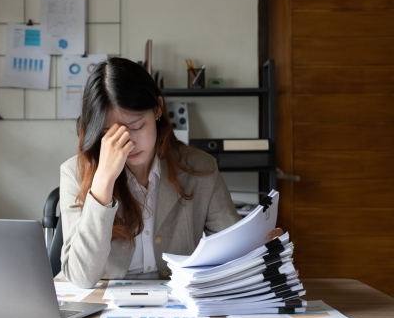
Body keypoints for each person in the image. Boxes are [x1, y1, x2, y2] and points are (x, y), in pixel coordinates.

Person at [59, 57, 282, 291]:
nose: (128, 143)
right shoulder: (75, 173)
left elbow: (233, 249)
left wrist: (259, 244)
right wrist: (103, 182)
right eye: (109, 134)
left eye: (136, 126)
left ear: (158, 109)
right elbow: (81, 277)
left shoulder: (200, 168)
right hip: (105, 307)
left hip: (182, 303)